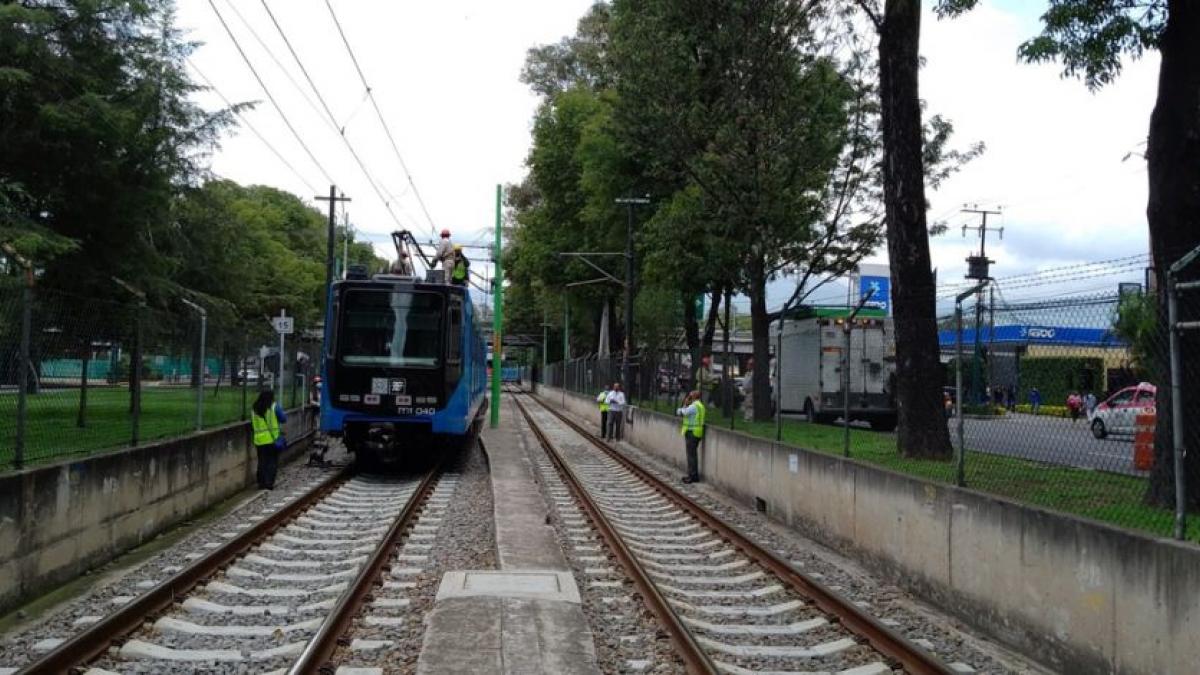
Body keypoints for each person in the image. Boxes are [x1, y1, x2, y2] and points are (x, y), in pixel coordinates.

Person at [250, 389, 287, 490]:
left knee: (262, 462)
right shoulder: (274, 406)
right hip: (272, 440)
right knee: (272, 462)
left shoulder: (254, 408)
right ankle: (269, 483)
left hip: (259, 440)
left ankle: (261, 483)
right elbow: (284, 419)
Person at [676, 390, 706, 483]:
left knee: (691, 456)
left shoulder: (693, 406)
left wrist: (685, 404)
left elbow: (681, 412)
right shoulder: (701, 406)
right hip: (698, 432)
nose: (689, 397)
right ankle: (694, 475)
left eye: (690, 396)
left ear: (692, 397)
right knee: (693, 455)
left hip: (691, 432)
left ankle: (692, 476)